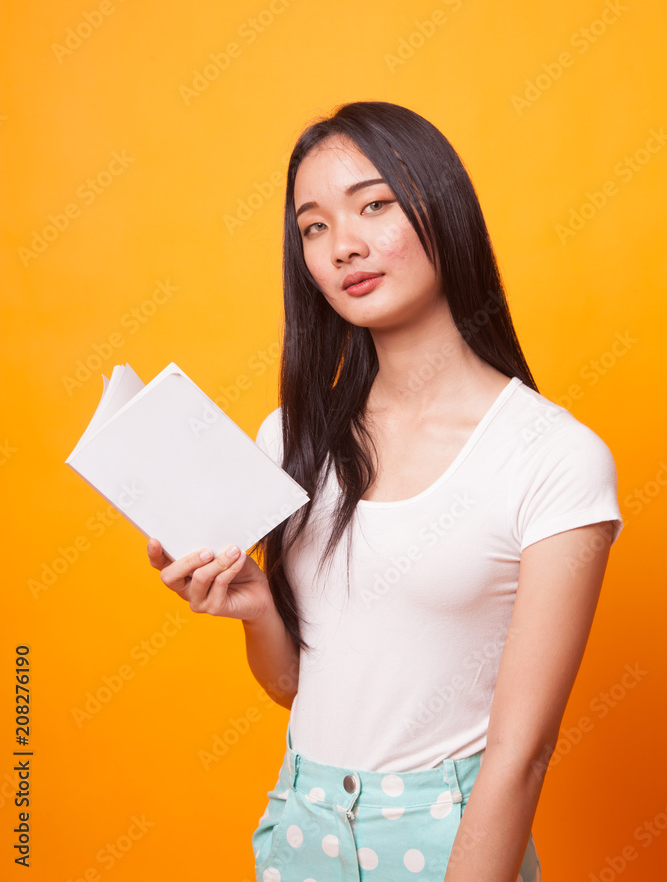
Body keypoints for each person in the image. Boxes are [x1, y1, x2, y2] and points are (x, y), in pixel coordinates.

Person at [146, 101, 624, 882]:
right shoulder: (290, 439)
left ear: (443, 209)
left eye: (374, 205)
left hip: (450, 842)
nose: (345, 247)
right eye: (314, 227)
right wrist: (257, 608)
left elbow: (520, 754)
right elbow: (299, 687)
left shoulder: (555, 458)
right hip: (300, 832)